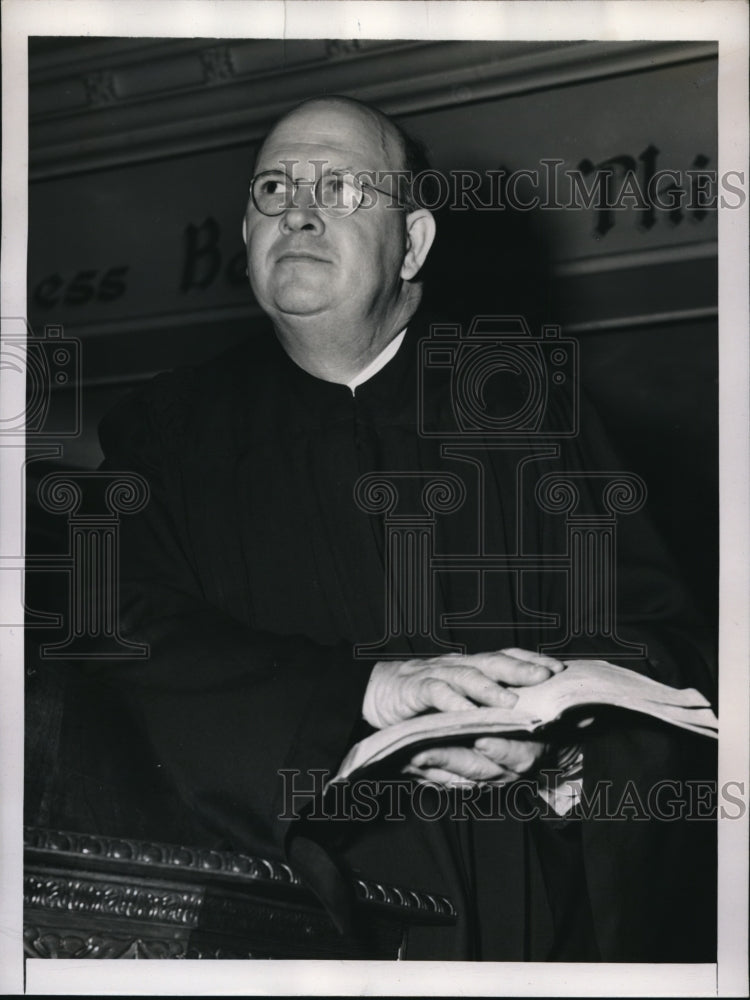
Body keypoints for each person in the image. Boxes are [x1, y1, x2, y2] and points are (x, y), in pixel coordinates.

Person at [96, 96, 717, 961]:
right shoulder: (163, 433)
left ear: (414, 243)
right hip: (279, 912)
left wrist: (559, 758)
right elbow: (126, 643)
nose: (299, 210)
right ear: (245, 233)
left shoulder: (525, 406)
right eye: (273, 188)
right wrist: (362, 692)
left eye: (343, 187)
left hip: (527, 908)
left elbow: (665, 647)